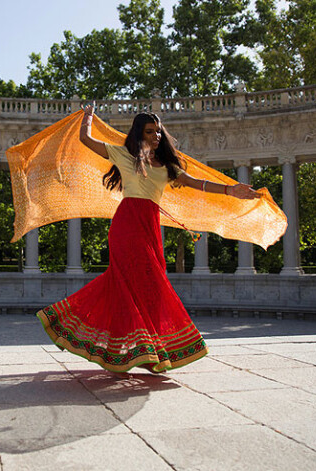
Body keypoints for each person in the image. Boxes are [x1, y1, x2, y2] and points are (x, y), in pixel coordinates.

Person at [36, 104, 258, 375]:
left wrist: (231, 190)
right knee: (138, 282)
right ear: (139, 134)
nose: (156, 136)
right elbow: (86, 140)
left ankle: (142, 351)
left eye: (158, 131)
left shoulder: (167, 166)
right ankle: (146, 351)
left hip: (150, 227)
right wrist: (88, 116)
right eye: (150, 131)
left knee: (146, 286)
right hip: (127, 225)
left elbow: (197, 183)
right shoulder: (124, 155)